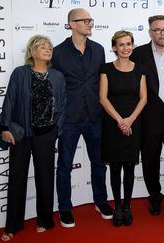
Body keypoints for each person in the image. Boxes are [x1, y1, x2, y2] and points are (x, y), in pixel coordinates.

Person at [0, 35, 66, 241]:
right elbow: (9, 100)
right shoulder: (20, 73)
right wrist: (4, 127)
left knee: (46, 179)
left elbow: (63, 106)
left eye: (49, 47)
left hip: (46, 135)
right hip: (21, 134)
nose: (47, 50)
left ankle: (44, 220)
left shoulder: (57, 76)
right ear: (32, 52)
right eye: (42, 47)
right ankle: (12, 225)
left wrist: (56, 130)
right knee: (17, 179)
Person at [52, 8, 113, 228]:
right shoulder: (57, 52)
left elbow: (101, 82)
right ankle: (65, 208)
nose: (90, 23)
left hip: (96, 116)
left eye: (90, 20)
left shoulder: (98, 50)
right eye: (85, 20)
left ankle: (101, 201)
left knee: (99, 163)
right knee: (65, 165)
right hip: (69, 118)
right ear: (71, 24)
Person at [130, 15, 164, 215]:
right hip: (148, 117)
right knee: (150, 160)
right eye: (158, 30)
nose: (162, 33)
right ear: (150, 32)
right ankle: (154, 195)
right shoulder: (138, 54)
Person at [99, 31, 147, 226]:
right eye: (121, 45)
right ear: (114, 48)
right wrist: (120, 121)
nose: (125, 48)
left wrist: (130, 120)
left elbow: (143, 98)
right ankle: (117, 206)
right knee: (115, 167)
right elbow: (103, 98)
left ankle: (127, 206)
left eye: (129, 44)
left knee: (129, 166)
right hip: (113, 124)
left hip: (134, 124)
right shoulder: (106, 69)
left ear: (133, 46)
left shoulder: (140, 69)